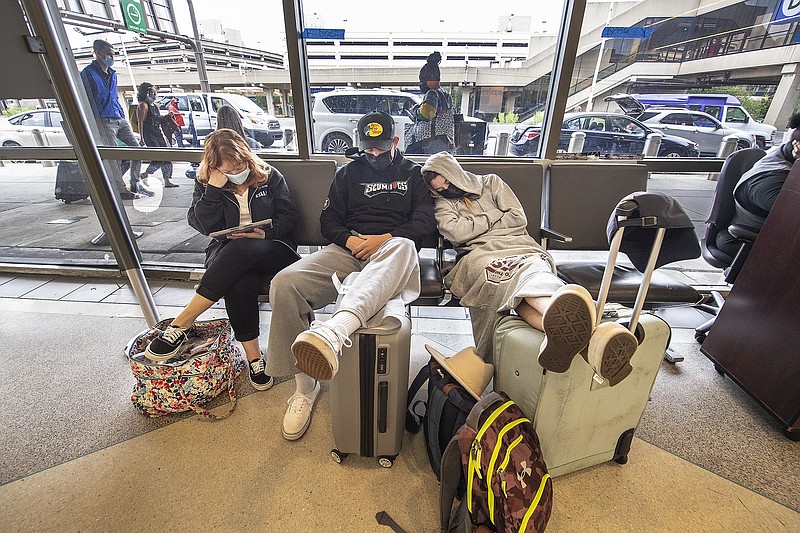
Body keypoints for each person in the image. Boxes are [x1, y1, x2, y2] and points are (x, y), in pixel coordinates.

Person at [265, 111, 435, 441]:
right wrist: (353, 240)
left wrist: (383, 239)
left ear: (395, 142)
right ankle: (305, 386)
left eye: (381, 149)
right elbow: (329, 222)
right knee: (284, 284)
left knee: (402, 246)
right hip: (349, 251)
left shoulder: (414, 174)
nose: (374, 155)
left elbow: (426, 224)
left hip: (392, 253)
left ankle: (334, 330)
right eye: (368, 149)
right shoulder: (346, 174)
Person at [421, 151, 638, 387]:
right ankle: (594, 341)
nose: (446, 190)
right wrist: (494, 216)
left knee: (532, 274)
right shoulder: (442, 204)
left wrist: (476, 225)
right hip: (479, 255)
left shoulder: (491, 183)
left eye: (448, 182)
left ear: (455, 173)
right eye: (440, 189)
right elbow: (456, 233)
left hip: (519, 246)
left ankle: (569, 333)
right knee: (507, 281)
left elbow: (517, 219)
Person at [144, 129, 300, 390]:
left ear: (246, 157)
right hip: (228, 254)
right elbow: (202, 225)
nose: (236, 171)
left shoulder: (268, 176)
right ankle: (254, 358)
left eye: (239, 165)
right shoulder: (207, 184)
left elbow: (291, 217)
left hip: (274, 249)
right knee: (240, 280)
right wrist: (213, 191)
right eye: (228, 169)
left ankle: (182, 322)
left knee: (243, 250)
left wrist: (265, 233)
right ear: (214, 168)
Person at [79, 39, 144, 199]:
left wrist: (121, 114)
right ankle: (120, 189)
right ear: (98, 53)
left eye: (113, 54)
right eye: (108, 54)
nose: (111, 57)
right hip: (103, 119)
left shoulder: (113, 74)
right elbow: (87, 98)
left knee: (137, 150)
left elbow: (113, 96)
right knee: (112, 155)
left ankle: (135, 183)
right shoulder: (88, 74)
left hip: (118, 117)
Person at [722, 126, 800, 256]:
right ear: (797, 145)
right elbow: (792, 215)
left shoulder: (784, 158)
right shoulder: (771, 178)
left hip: (775, 238)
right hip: (752, 240)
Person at [406, 51, 455, 155]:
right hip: (443, 142)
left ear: (430, 78)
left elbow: (427, 113)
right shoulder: (445, 94)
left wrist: (415, 112)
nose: (421, 83)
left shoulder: (432, 93)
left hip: (429, 143)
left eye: (422, 80)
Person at [135, 83, 178, 188]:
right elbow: (140, 122)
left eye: (155, 93)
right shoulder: (143, 105)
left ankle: (167, 180)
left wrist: (168, 117)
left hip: (157, 133)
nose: (154, 95)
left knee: (166, 155)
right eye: (152, 93)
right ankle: (146, 174)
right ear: (146, 93)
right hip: (149, 134)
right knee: (158, 156)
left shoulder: (155, 106)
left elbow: (159, 119)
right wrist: (142, 138)